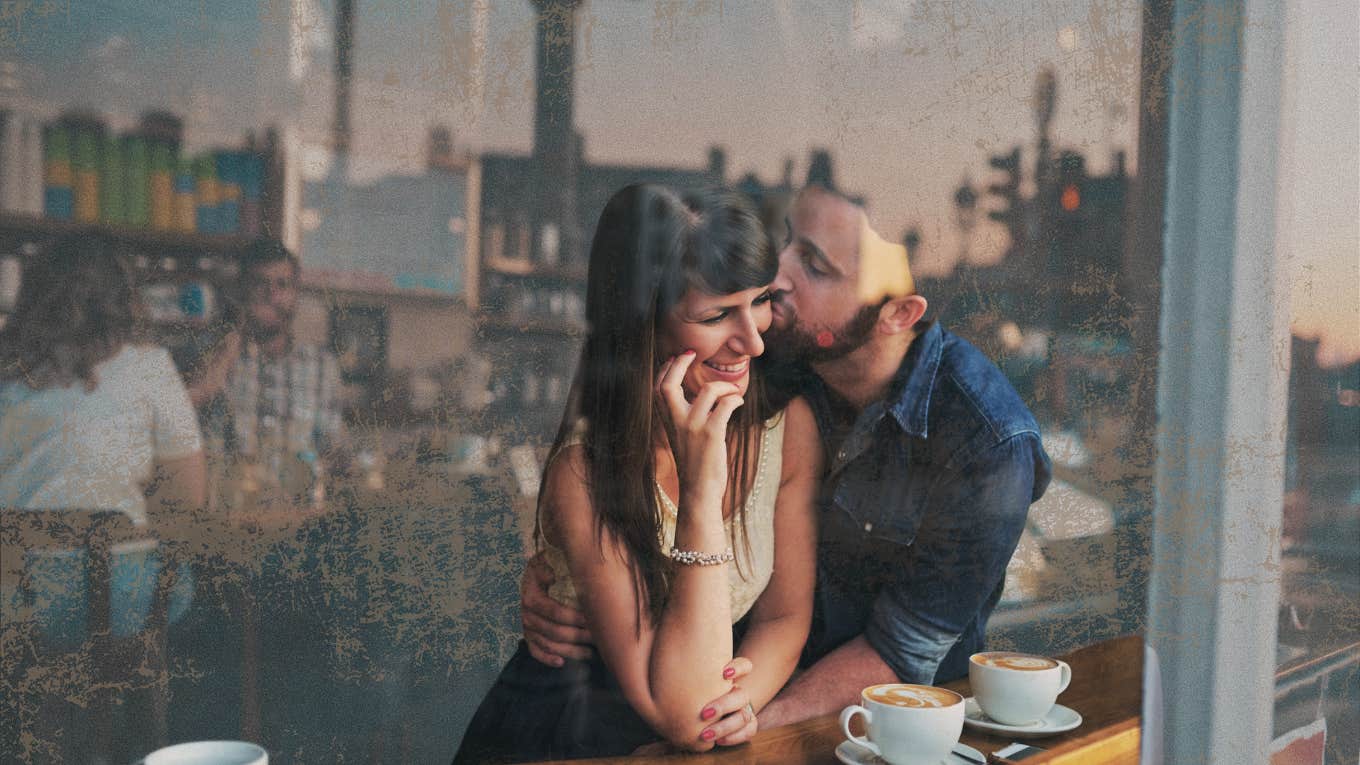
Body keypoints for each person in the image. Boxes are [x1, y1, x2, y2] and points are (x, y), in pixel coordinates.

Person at [521, 183, 1053, 735]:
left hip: (872, 723)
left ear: (897, 313)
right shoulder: (782, 349)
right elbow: (633, 353)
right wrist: (563, 573)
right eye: (791, 245)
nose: (776, 282)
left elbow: (897, 651)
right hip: (631, 709)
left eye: (816, 266)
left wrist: (743, 719)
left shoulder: (986, 444)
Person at [452, 184, 822, 763]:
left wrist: (739, 701)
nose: (752, 338)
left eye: (760, 300)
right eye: (716, 314)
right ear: (642, 323)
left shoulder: (787, 428)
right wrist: (702, 495)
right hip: (567, 742)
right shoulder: (585, 472)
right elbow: (682, 716)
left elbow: (785, 614)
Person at [0, 232, 205, 642]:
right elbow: (188, 499)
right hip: (120, 594)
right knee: (179, 584)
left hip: (15, 599)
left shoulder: (8, 371)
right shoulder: (150, 366)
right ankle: (117, 696)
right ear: (122, 298)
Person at [188, 237, 345, 523]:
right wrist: (228, 347)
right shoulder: (213, 358)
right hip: (227, 527)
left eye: (282, 285)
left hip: (299, 526)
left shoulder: (323, 366)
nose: (271, 294)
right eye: (260, 284)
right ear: (242, 291)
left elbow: (331, 451)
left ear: (295, 293)